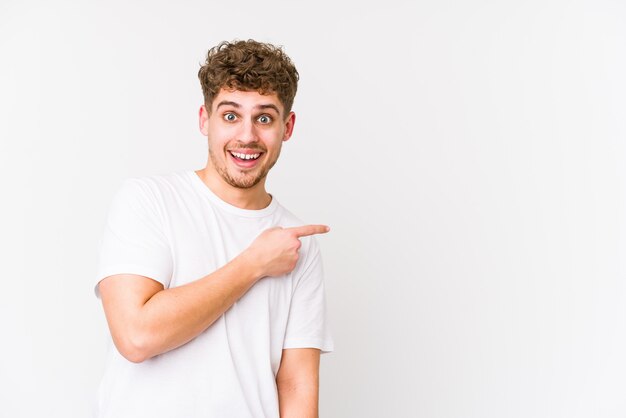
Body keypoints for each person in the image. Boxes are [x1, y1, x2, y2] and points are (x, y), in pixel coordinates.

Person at [94, 39, 333, 418]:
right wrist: (253, 263)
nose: (248, 136)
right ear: (205, 120)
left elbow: (296, 384)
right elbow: (136, 336)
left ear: (287, 127)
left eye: (265, 118)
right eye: (231, 115)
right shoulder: (148, 200)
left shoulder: (297, 242)